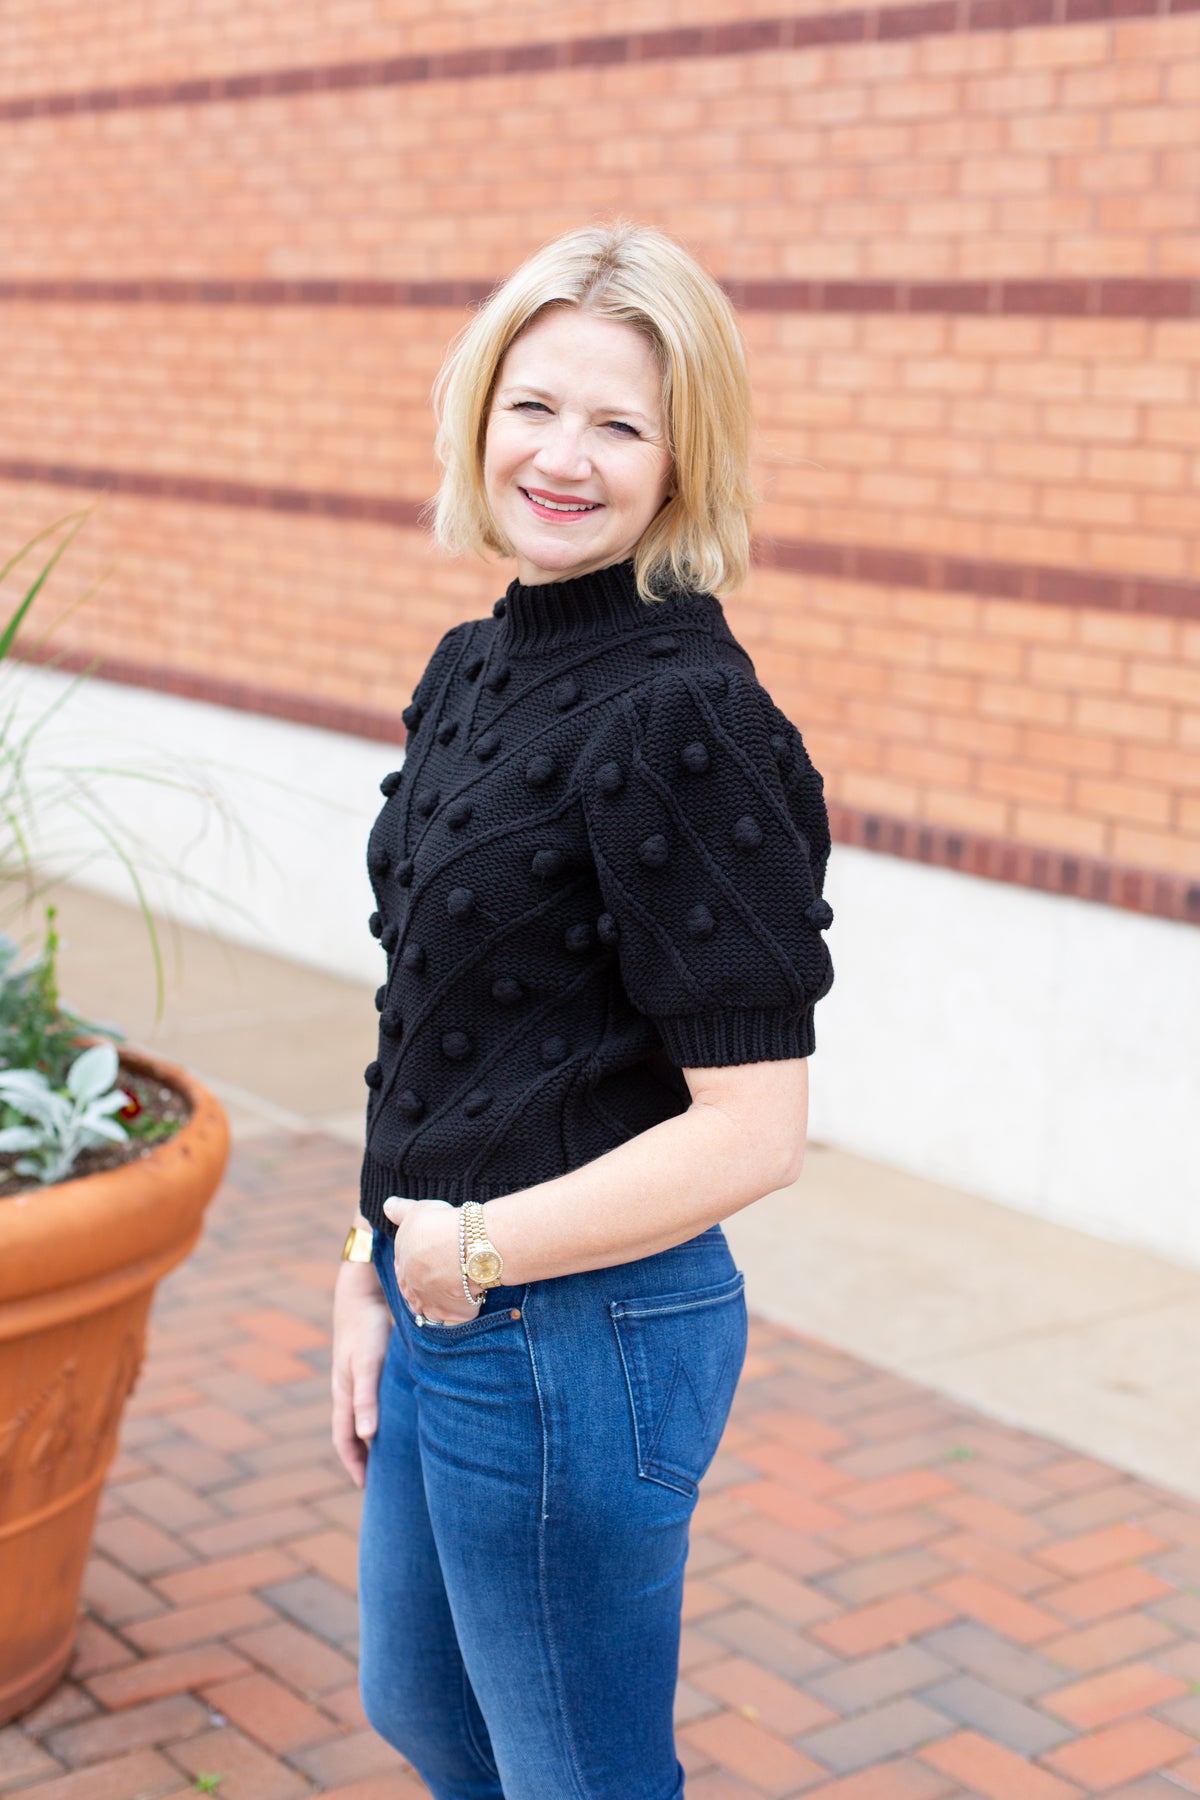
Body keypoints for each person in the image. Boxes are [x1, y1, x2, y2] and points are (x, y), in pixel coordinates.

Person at [331, 221, 835, 1800]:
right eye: (534, 405)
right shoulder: (475, 661)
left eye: (620, 424)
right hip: (446, 1291)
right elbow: (430, 1000)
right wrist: (370, 1256)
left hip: (575, 1326)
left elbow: (756, 1133)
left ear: (685, 466)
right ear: (478, 410)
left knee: (582, 1779)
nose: (562, 456)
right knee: (424, 1712)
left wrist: (457, 1256)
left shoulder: (685, 716)